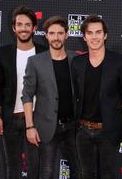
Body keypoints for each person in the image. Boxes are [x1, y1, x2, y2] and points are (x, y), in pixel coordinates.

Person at [71, 15, 122, 179]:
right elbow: (74, 95)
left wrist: (118, 121)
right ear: (84, 37)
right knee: (86, 174)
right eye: (90, 33)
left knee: (108, 175)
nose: (94, 37)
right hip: (83, 130)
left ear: (105, 35)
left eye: (98, 32)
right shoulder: (77, 62)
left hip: (108, 130)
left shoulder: (119, 61)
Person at [21, 15, 81, 179]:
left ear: (66, 35)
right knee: (46, 172)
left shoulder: (76, 58)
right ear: (46, 35)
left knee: (79, 170)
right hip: (46, 127)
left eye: (60, 33)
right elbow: (27, 95)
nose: (56, 37)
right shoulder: (35, 62)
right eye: (52, 33)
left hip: (73, 127)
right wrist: (29, 126)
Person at [0, 6, 47, 179]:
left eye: (28, 24)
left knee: (35, 166)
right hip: (10, 118)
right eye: (20, 24)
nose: (23, 28)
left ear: (34, 28)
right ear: (14, 27)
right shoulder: (4, 53)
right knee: (12, 166)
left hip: (36, 119)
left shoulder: (44, 52)